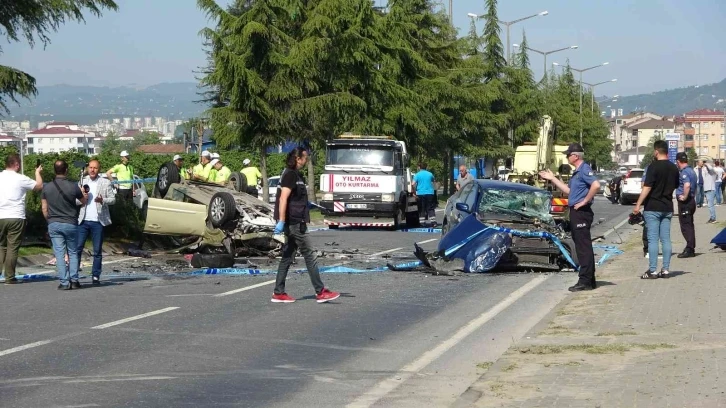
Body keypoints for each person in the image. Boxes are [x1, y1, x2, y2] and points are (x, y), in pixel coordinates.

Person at [271, 147, 339, 304]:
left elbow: (295, 197)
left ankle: (278, 292)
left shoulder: (296, 175)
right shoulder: (289, 174)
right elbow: (283, 199)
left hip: (296, 219)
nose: (307, 160)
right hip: (294, 222)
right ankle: (320, 291)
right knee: (309, 255)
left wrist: (307, 204)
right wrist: (281, 221)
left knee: (287, 257)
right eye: (305, 157)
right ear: (297, 158)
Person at [539, 143, 600, 292]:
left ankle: (585, 280)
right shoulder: (577, 172)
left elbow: (596, 185)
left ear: (576, 156)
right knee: (582, 246)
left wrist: (584, 201)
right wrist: (552, 178)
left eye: (568, 154)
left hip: (581, 212)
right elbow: (569, 191)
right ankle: (589, 279)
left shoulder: (584, 169)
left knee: (583, 248)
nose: (567, 157)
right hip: (576, 212)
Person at [633, 140, 680, 279]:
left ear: (656, 151)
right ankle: (665, 270)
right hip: (667, 206)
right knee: (666, 239)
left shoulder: (653, 167)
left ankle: (652, 270)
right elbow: (676, 185)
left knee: (653, 239)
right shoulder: (673, 168)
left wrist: (638, 205)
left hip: (653, 206)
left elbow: (647, 187)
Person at [42, 160, 87, 290]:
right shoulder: (73, 186)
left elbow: (44, 208)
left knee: (59, 254)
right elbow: (83, 202)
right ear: (66, 170)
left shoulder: (47, 187)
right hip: (71, 223)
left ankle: (64, 282)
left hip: (54, 223)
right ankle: (74, 280)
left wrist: (50, 220)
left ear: (54, 170)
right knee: (72, 252)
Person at [0, 154, 43, 284]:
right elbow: (39, 186)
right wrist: (37, 172)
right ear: (17, 165)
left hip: (0, 215)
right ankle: (10, 277)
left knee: (1, 246)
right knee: (12, 247)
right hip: (16, 216)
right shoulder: (20, 178)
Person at [76, 159, 116, 285]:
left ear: (99, 169)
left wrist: (102, 200)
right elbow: (75, 201)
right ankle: (74, 273)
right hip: (83, 220)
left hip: (98, 221)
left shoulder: (105, 182)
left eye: (95, 168)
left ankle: (95, 275)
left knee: (97, 250)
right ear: (88, 169)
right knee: (77, 248)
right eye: (91, 168)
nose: (92, 170)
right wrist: (83, 199)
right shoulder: (83, 182)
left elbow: (113, 200)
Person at [675, 152, 697, 258]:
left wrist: (684, 196)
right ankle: (690, 246)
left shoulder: (684, 172)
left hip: (685, 202)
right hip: (691, 200)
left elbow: (687, 185)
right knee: (690, 224)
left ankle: (689, 248)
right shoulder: (692, 171)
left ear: (678, 161)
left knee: (685, 226)